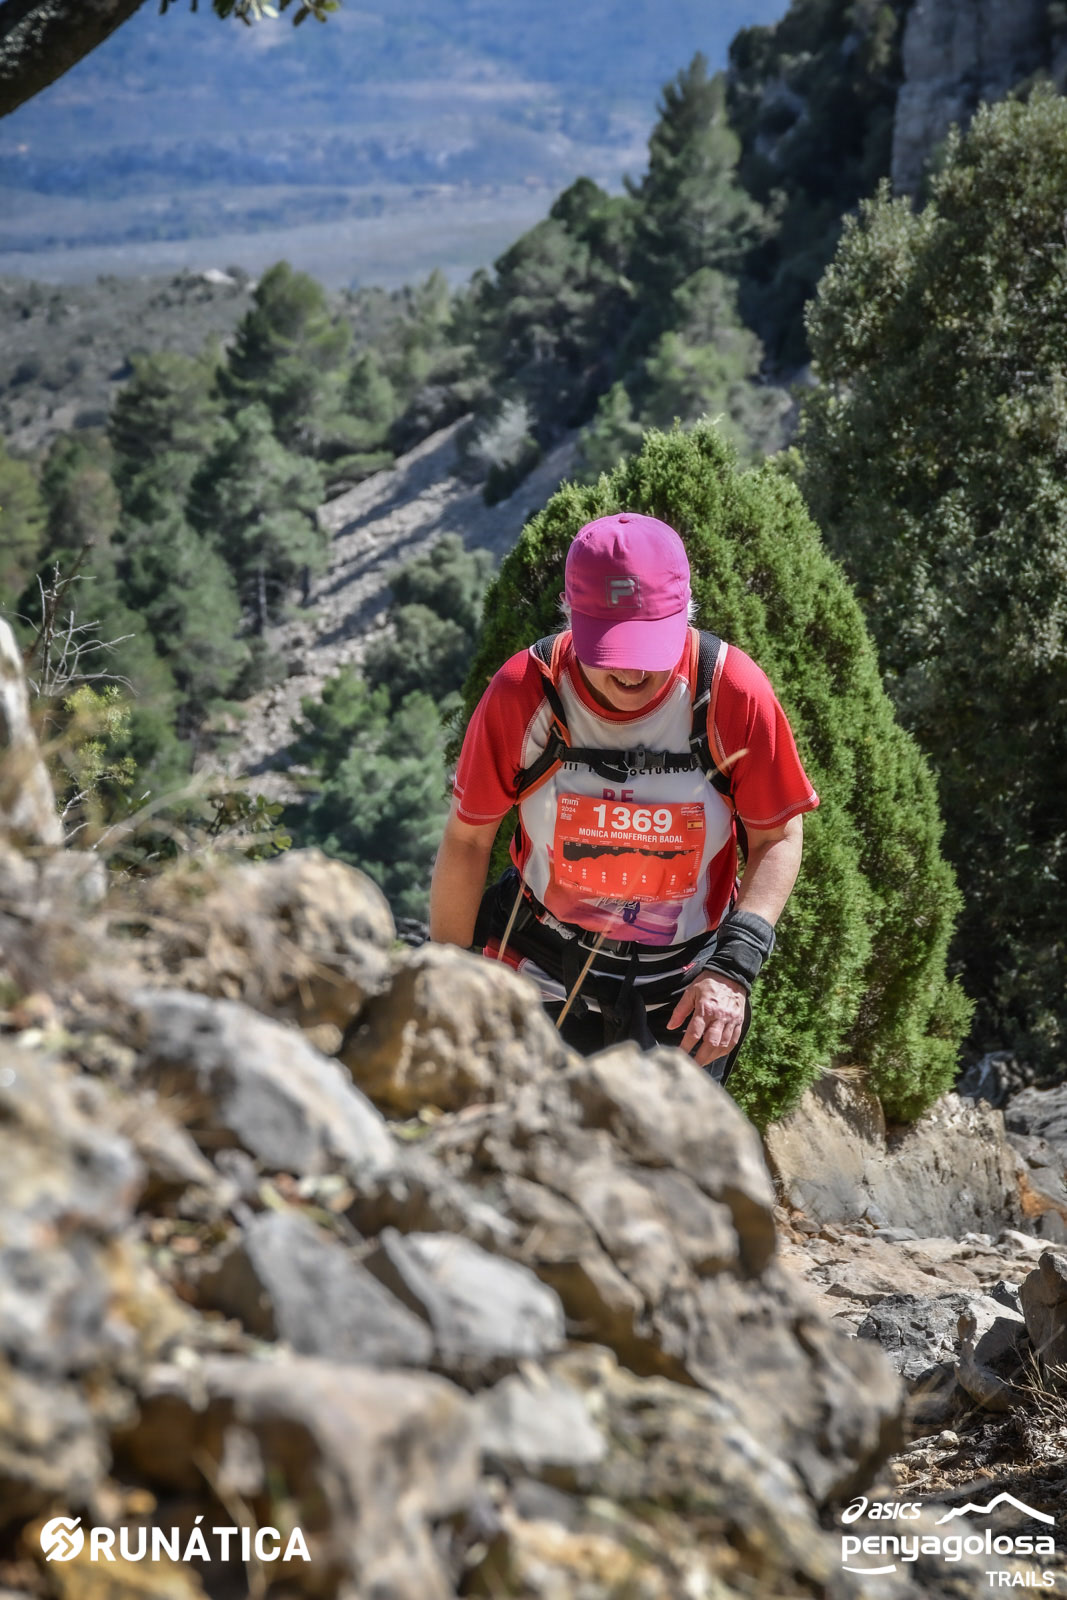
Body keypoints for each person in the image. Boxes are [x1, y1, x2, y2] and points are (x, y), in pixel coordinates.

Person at [429, 512, 818, 1081]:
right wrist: (449, 976)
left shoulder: (730, 692)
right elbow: (467, 839)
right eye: (611, 647)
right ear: (571, 614)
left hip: (681, 993)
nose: (633, 672)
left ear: (685, 614)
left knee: (668, 1143)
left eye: (650, 645)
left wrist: (734, 968)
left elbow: (777, 835)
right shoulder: (524, 692)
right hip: (538, 971)